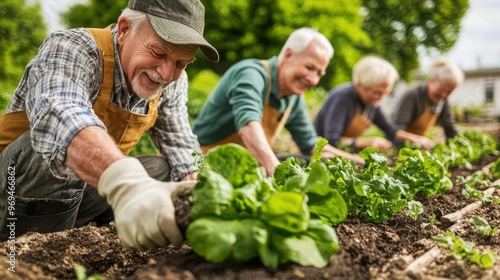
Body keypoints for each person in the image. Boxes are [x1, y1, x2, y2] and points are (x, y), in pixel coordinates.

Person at [0, 0, 219, 251]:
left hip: (77, 194)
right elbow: (59, 113)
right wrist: (127, 184)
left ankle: (99, 235)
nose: (167, 74)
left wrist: (200, 188)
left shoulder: (173, 82)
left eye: (181, 63)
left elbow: (181, 142)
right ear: (125, 29)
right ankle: (29, 254)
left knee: (165, 171)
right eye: (158, 53)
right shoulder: (72, 46)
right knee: (51, 151)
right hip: (11, 193)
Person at [192, 27, 364, 176]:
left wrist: (355, 161)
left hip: (244, 166)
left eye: (319, 73)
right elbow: (248, 126)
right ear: (288, 54)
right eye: (309, 68)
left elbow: (311, 145)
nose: (313, 80)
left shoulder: (294, 97)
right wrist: (276, 171)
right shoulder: (252, 73)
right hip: (204, 162)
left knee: (310, 162)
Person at [314, 55, 434, 152]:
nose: (381, 97)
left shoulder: (371, 103)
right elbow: (331, 140)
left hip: (343, 153)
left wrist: (416, 139)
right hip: (319, 151)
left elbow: (391, 130)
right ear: (359, 85)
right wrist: (366, 142)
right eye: (376, 92)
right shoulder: (343, 98)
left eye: (386, 93)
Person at [391, 58, 464, 140]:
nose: (444, 95)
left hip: (416, 147)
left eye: (449, 92)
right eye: (442, 89)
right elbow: (395, 130)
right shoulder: (413, 96)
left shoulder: (443, 101)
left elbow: (450, 129)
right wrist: (415, 140)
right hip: (398, 147)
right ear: (431, 80)